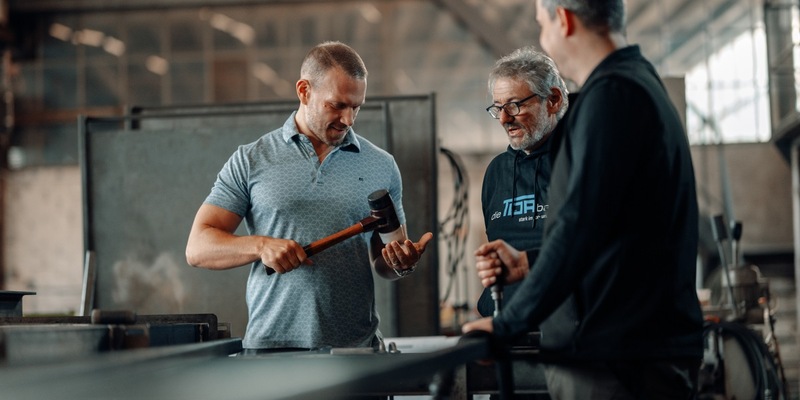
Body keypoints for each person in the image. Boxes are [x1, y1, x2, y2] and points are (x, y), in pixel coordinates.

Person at [462, 1, 704, 399]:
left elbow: (578, 230)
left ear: (563, 19)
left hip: (616, 360)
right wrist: (528, 262)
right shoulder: (636, 82)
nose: (544, 38)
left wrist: (506, 325)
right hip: (629, 351)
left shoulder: (611, 97)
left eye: (542, 25)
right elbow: (613, 231)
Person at [186, 41, 433, 352]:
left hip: (355, 349)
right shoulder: (251, 159)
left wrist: (400, 263)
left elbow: (384, 262)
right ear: (304, 91)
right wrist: (261, 246)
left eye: (356, 107)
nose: (348, 120)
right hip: (271, 350)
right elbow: (198, 248)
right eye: (337, 105)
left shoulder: (381, 165)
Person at [475, 46, 568, 319]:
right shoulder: (496, 172)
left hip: (561, 328)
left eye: (515, 105)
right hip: (503, 324)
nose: (504, 119)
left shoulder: (577, 164)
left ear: (552, 100)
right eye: (498, 108)